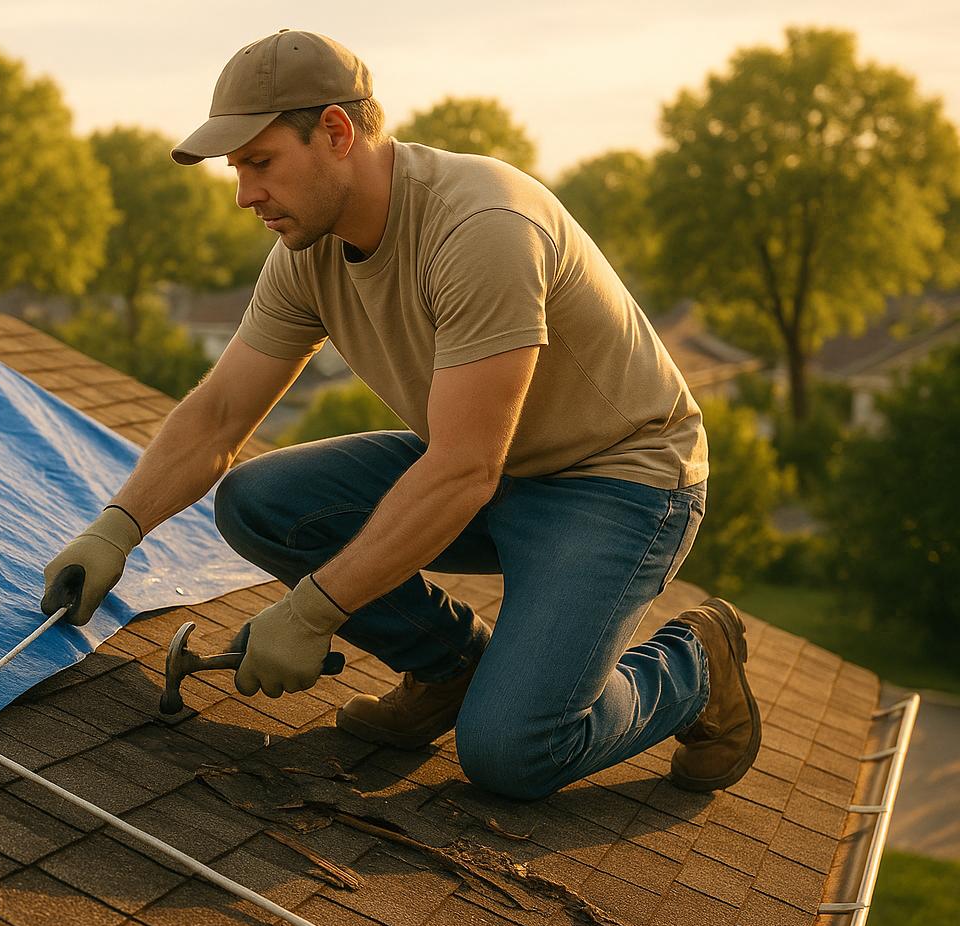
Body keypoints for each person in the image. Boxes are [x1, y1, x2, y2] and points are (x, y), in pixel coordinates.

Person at [41, 29, 760, 800]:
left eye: (259, 163)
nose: (245, 194)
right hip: (490, 466)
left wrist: (313, 611)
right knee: (261, 505)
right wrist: (115, 527)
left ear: (337, 133)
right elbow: (218, 414)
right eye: (235, 169)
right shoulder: (304, 255)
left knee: (513, 753)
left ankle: (695, 662)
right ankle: (450, 666)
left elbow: (461, 470)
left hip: (621, 483)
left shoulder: (481, 228)